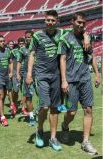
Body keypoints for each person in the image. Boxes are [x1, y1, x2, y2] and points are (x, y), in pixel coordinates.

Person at [26, 10, 90, 151]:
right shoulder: (37, 36)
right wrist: (29, 74)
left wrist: (85, 36)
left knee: (55, 109)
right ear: (45, 20)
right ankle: (40, 129)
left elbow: (79, 29)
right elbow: (31, 54)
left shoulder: (62, 33)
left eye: (53, 20)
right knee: (44, 106)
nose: (50, 22)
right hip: (41, 75)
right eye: (48, 20)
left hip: (57, 76)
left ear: (57, 21)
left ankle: (53, 138)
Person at [58, 12, 100, 155]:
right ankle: (64, 126)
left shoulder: (87, 38)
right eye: (79, 22)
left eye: (84, 23)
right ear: (72, 21)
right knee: (72, 111)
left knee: (88, 109)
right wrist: (64, 80)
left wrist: (97, 74)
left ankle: (86, 142)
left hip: (85, 79)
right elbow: (62, 59)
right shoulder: (65, 39)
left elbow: (92, 56)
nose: (81, 25)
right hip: (71, 80)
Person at [17, 30, 36, 126]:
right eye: (26, 37)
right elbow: (19, 62)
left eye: (29, 37)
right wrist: (17, 73)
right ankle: (32, 117)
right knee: (28, 96)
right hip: (26, 74)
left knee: (42, 95)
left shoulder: (37, 48)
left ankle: (39, 112)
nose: (28, 39)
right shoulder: (22, 49)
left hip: (38, 74)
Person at [7, 40, 17, 116]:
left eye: (12, 44)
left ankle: (12, 101)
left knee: (14, 88)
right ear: (7, 45)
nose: (11, 45)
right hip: (7, 72)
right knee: (10, 88)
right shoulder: (6, 51)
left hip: (13, 71)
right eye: (10, 44)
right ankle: (11, 103)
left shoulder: (14, 51)